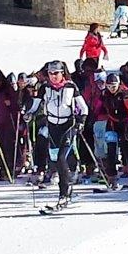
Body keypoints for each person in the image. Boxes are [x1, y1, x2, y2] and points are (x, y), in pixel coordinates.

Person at [34, 60, 88, 210]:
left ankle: (64, 192)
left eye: (56, 73)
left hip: (67, 126)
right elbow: (35, 104)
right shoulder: (45, 87)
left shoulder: (70, 86)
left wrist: (81, 121)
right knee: (55, 158)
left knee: (61, 158)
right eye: (50, 73)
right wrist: (28, 112)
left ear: (62, 73)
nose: (53, 76)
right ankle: (68, 182)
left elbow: (84, 108)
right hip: (52, 126)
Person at [98, 72, 128, 189]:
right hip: (112, 123)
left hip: (125, 123)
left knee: (126, 145)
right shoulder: (105, 94)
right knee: (111, 149)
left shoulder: (125, 93)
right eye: (109, 86)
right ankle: (111, 175)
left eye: (114, 86)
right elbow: (100, 107)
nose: (111, 89)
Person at [0, 68, 22, 182]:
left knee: (9, 147)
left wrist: (10, 103)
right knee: (0, 147)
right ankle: (3, 170)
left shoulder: (8, 90)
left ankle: (10, 170)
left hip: (8, 123)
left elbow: (17, 105)